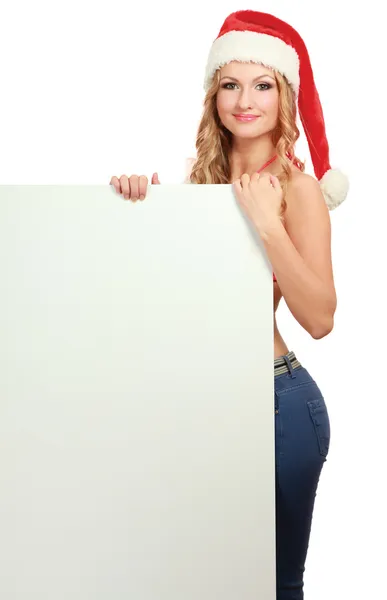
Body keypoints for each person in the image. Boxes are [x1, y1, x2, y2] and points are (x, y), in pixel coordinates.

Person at [110, 9, 349, 599]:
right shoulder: (199, 184)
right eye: (230, 85)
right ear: (214, 95)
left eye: (262, 85)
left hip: (277, 406)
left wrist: (268, 225)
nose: (245, 101)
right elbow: (169, 304)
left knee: (273, 584)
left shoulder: (297, 191)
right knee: (207, 582)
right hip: (206, 401)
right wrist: (141, 212)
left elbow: (321, 318)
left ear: (283, 94)